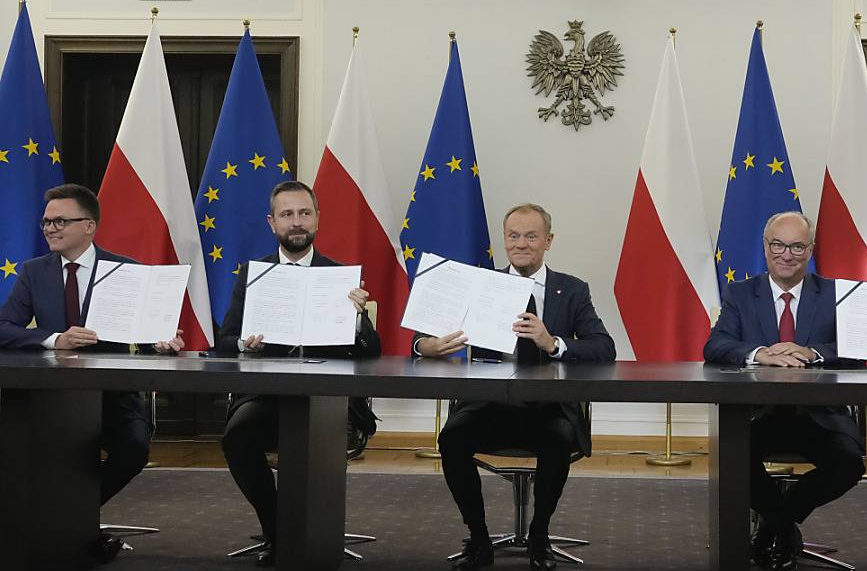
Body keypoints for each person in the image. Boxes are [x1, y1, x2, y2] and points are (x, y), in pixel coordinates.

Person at [415, 203, 615, 571]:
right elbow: (421, 336)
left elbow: (604, 348)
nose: (521, 244)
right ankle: (478, 538)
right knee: (452, 438)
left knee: (558, 439)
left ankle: (540, 534)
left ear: (548, 241)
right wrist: (426, 347)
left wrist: (553, 343)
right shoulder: (479, 284)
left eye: (531, 236)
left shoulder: (572, 290)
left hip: (547, 409)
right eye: (513, 236)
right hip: (488, 405)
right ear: (505, 240)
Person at [0, 183, 184, 563]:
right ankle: (68, 524)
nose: (50, 229)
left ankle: (66, 517)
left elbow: (148, 337)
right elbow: (4, 327)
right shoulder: (35, 272)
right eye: (46, 222)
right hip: (53, 397)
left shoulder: (126, 271)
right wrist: (55, 339)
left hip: (112, 393)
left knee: (133, 448)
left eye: (60, 221)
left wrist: (163, 341)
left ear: (89, 226)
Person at [216, 180, 381, 567]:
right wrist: (245, 345)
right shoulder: (253, 275)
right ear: (272, 222)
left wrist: (359, 318)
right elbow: (224, 341)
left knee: (313, 442)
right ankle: (278, 530)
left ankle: (298, 534)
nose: (296, 222)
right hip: (266, 398)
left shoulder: (340, 276)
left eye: (304, 213)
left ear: (317, 219)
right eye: (287, 214)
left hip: (331, 401)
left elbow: (371, 353)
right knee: (237, 439)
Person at [703, 211, 865, 571]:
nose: (786, 254)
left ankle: (773, 523)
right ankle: (784, 527)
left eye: (796, 246)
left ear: (810, 249)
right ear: (765, 247)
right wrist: (760, 353)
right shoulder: (741, 293)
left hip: (820, 415)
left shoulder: (834, 293)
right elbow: (715, 346)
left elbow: (856, 349)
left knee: (850, 463)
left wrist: (812, 352)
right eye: (778, 245)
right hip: (760, 413)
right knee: (732, 456)